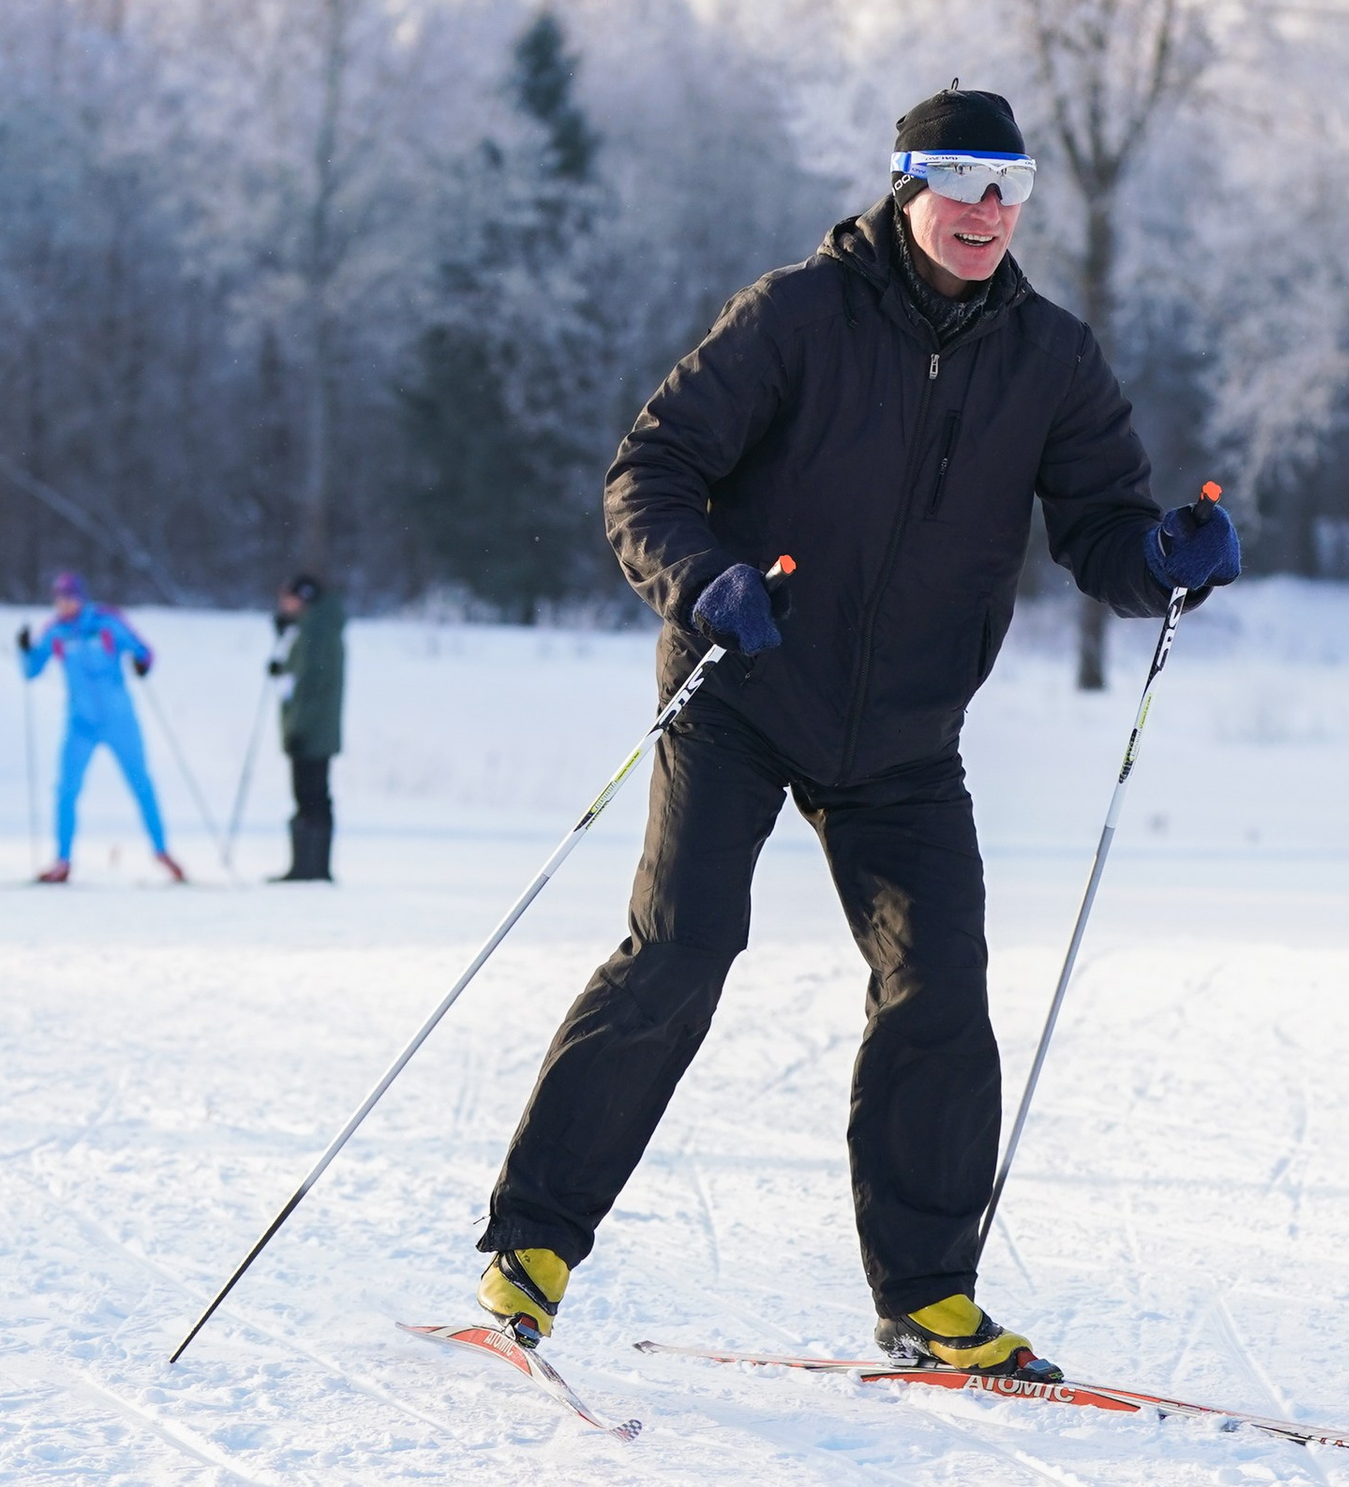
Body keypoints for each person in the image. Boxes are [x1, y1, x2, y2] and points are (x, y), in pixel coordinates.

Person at [473, 83, 1240, 1377]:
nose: (988, 211)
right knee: (683, 950)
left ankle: (929, 1298)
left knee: (939, 983)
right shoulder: (799, 317)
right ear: (906, 184)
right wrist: (703, 577)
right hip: (742, 686)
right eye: (961, 180)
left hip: (900, 736)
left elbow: (1102, 519)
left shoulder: (1048, 358)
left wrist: (1163, 556)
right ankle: (532, 1246)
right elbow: (647, 474)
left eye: (1013, 187)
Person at [19, 572, 186, 885]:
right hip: (80, 723)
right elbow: (31, 671)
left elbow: (144, 651)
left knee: (141, 783)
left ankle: (162, 850)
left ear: (81, 597)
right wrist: (24, 649)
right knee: (66, 789)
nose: (64, 604)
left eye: (70, 597)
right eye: (59, 598)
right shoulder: (55, 632)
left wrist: (142, 663)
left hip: (119, 720)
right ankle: (62, 859)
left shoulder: (106, 623)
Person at [269, 573, 345, 883]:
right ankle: (311, 866)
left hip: (312, 729)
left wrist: (298, 729)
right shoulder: (315, 626)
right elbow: (304, 671)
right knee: (313, 794)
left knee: (310, 794)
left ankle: (309, 868)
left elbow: (312, 683)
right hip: (316, 727)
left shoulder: (316, 629)